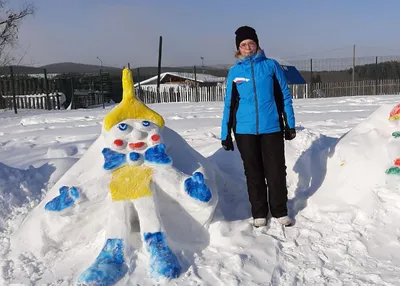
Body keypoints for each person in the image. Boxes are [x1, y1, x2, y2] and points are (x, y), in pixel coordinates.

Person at [220, 26, 296, 228]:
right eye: (243, 45)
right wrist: (225, 133)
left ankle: (280, 210)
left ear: (257, 44)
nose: (248, 47)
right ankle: (259, 212)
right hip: (245, 131)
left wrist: (289, 124)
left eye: (251, 43)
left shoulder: (271, 66)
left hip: (271, 127)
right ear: (239, 48)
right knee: (253, 172)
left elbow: (284, 96)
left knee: (276, 171)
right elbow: (229, 103)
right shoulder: (235, 72)